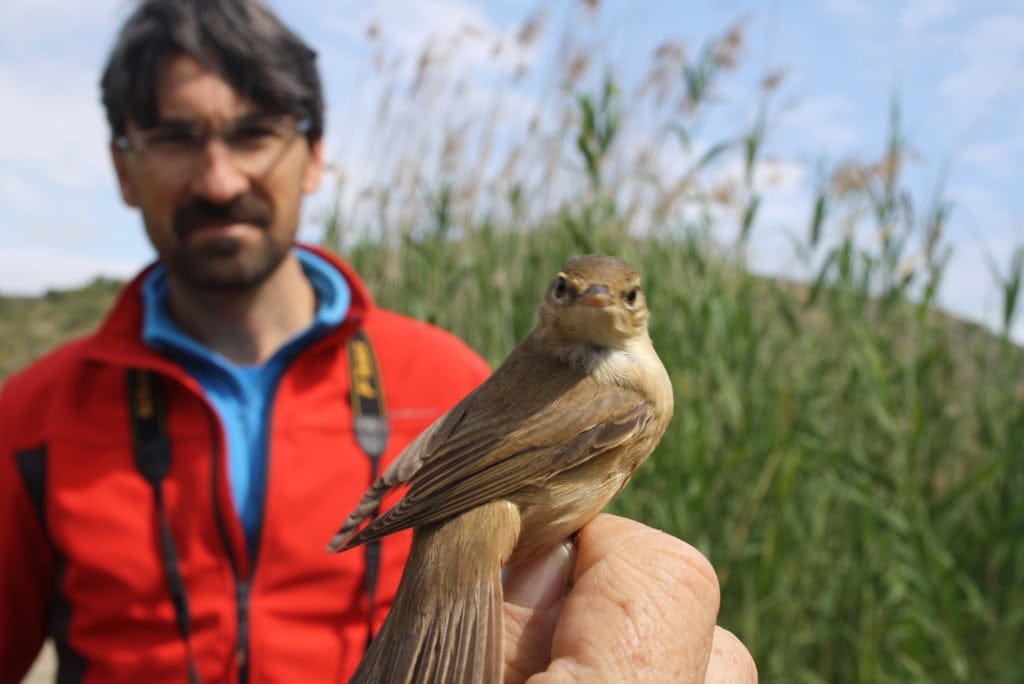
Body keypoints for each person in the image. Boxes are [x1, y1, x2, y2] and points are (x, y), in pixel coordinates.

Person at [0, 1, 756, 682]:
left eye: (255, 132)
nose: (220, 178)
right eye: (174, 138)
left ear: (316, 155)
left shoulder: (443, 372)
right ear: (122, 170)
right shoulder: (25, 419)